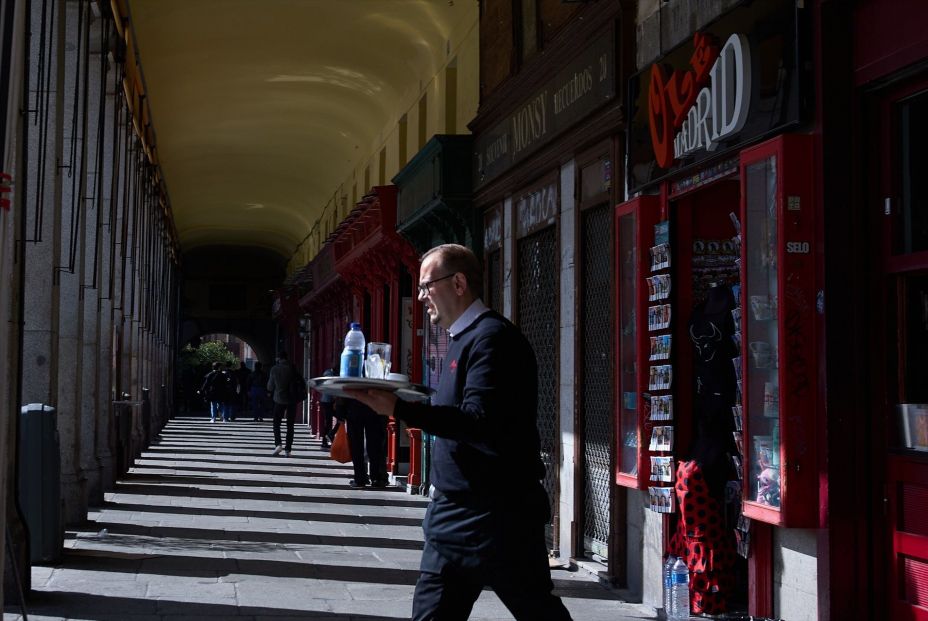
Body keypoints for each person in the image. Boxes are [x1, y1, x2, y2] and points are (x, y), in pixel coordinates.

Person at [346, 243, 572, 621]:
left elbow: (479, 422)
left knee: (537, 610)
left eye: (426, 286)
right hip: (453, 516)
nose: (420, 297)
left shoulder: (493, 340)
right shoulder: (459, 339)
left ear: (459, 283)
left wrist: (400, 410)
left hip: (497, 517)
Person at [338, 396, 388, 489]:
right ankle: (376, 478)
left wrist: (340, 410)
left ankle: (360, 478)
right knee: (374, 446)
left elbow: (344, 390)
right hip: (374, 409)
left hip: (354, 409)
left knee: (356, 446)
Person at [267, 351, 296, 456]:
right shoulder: (292, 368)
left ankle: (278, 444)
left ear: (278, 358)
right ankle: (288, 450)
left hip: (279, 399)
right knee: (290, 425)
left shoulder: (274, 369)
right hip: (292, 399)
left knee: (276, 423)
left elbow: (270, 387)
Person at [317, 360, 338, 449]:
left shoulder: (326, 373)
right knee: (340, 419)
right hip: (329, 401)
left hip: (324, 400)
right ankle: (330, 436)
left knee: (328, 422)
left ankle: (326, 440)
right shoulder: (333, 376)